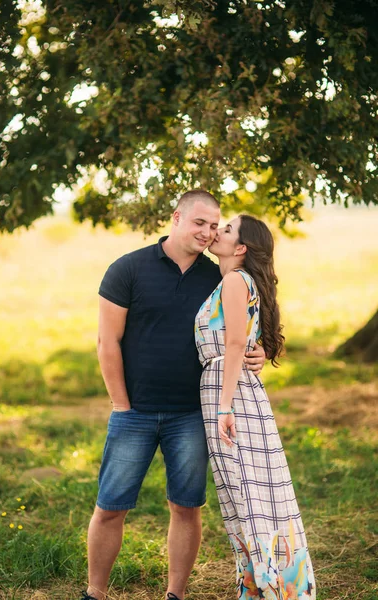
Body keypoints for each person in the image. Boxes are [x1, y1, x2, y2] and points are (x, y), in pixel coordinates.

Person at [80, 191, 266, 600]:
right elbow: (106, 341)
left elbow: (242, 325)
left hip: (192, 413)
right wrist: (120, 404)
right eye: (199, 222)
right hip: (135, 411)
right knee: (110, 506)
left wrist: (261, 349)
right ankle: (95, 593)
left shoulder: (218, 276)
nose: (207, 232)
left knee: (186, 507)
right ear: (176, 217)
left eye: (215, 225)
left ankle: (175, 595)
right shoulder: (128, 269)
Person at [195, 214, 316, 600]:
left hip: (232, 398)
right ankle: (262, 586)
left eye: (226, 230)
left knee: (251, 498)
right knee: (248, 496)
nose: (217, 233)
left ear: (242, 247)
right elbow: (244, 342)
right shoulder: (236, 281)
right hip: (229, 390)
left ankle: (273, 589)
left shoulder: (234, 280)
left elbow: (233, 345)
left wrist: (224, 406)